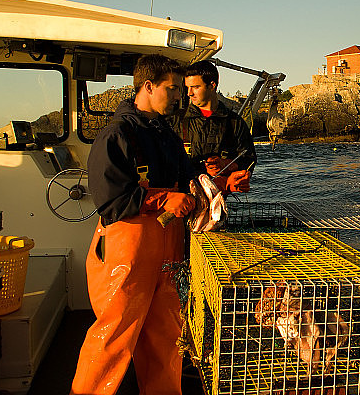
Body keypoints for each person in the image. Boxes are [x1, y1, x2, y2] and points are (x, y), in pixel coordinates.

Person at [71, 54, 197, 395]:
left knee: (166, 337)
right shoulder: (116, 134)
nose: (178, 96)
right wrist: (163, 199)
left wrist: (217, 179)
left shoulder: (165, 134)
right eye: (172, 89)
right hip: (126, 254)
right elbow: (110, 199)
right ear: (148, 86)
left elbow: (184, 176)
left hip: (166, 254)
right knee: (113, 337)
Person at [178, 60, 255, 195]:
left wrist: (226, 164)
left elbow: (249, 159)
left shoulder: (234, 123)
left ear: (212, 85)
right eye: (187, 87)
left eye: (195, 87)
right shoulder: (176, 120)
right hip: (182, 199)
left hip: (218, 199)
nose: (189, 93)